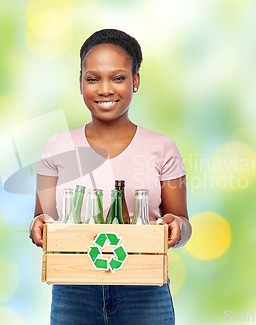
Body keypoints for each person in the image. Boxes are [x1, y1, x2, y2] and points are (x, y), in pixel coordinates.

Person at [29, 29, 192, 325]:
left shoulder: (162, 148)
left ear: (136, 81)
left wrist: (176, 227)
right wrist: (38, 226)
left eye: (118, 78)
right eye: (93, 79)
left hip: (145, 288)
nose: (105, 89)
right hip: (73, 289)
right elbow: (42, 220)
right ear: (80, 83)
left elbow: (182, 221)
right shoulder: (56, 147)